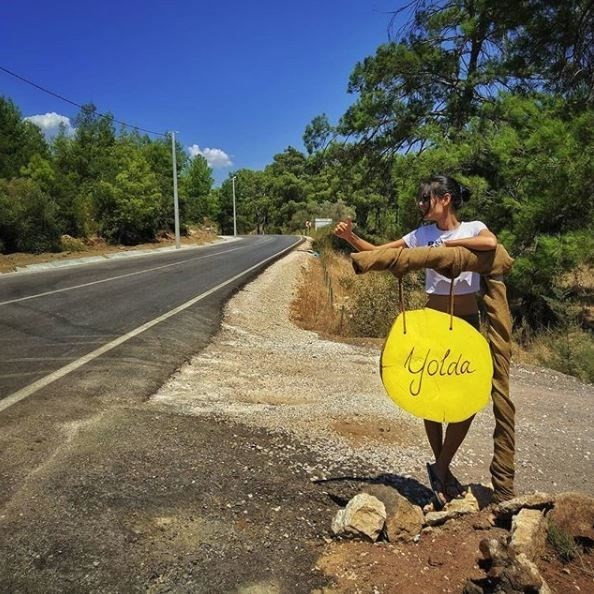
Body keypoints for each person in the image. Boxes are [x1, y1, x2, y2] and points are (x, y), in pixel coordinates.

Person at [334, 174, 498, 508]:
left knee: (468, 399)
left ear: (446, 199)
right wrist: (352, 238)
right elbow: (381, 254)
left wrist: (448, 246)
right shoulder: (420, 234)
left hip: (466, 324)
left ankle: (439, 466)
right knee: (430, 394)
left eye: (427, 199)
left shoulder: (472, 228)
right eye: (420, 200)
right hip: (431, 322)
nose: (422, 205)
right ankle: (442, 472)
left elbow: (491, 245)